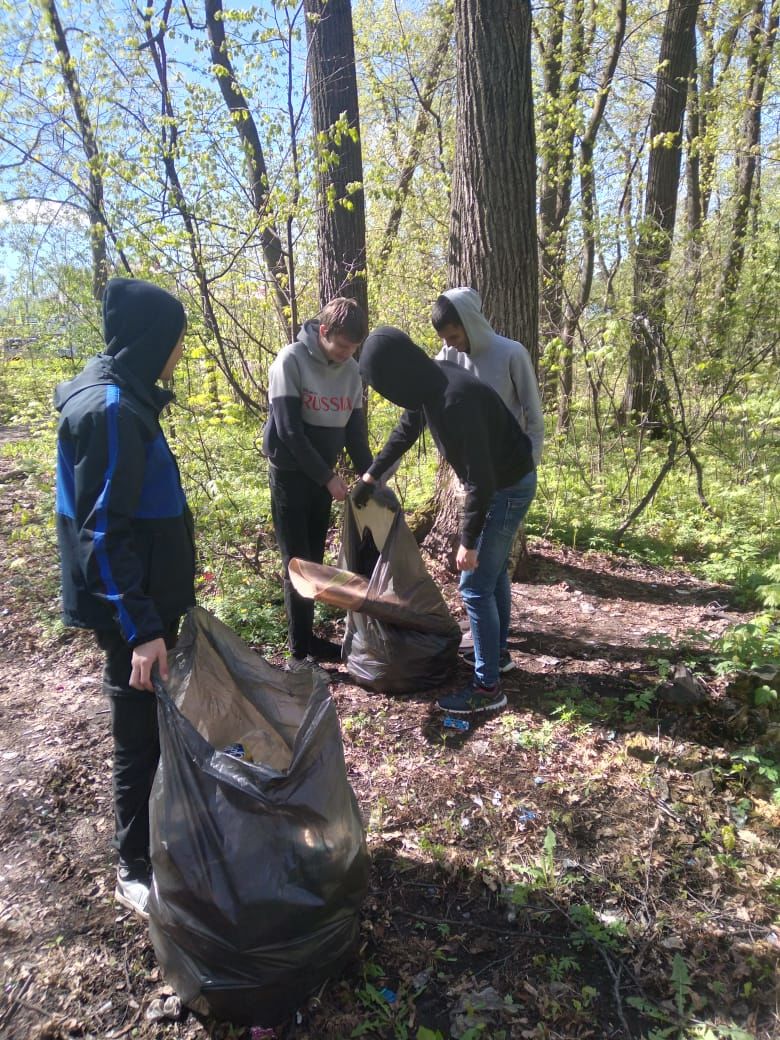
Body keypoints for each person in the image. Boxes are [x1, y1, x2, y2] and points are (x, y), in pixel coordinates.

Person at [55, 277, 195, 919]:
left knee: (155, 727)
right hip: (130, 615)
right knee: (137, 735)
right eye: (174, 342)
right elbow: (102, 532)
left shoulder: (128, 397)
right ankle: (133, 865)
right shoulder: (110, 410)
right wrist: (141, 627)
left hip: (145, 602)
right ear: (151, 341)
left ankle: (160, 835)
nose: (178, 354)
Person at [353, 327, 536, 716]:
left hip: (508, 488)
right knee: (493, 572)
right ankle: (498, 657)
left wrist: (468, 541)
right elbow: (406, 430)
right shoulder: (431, 384)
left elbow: (481, 481)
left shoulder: (454, 400)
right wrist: (372, 476)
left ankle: (488, 689)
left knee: (473, 585)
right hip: (505, 481)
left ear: (397, 376)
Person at [432, 287, 544, 673]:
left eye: (455, 335)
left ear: (471, 324)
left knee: (478, 578)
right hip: (478, 482)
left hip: (509, 477)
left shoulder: (511, 353)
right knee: (492, 573)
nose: (452, 345)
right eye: (445, 339)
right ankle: (498, 653)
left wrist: (529, 460)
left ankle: (490, 674)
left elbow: (533, 412)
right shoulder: (448, 357)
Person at [263, 297, 373, 675]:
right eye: (342, 346)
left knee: (314, 560)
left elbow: (356, 437)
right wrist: (328, 479)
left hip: (322, 477)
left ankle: (308, 639)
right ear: (323, 332)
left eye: (353, 348)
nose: (347, 355)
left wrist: (373, 478)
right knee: (297, 561)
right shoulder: (290, 361)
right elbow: (290, 432)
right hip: (292, 476)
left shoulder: (352, 370)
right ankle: (298, 652)